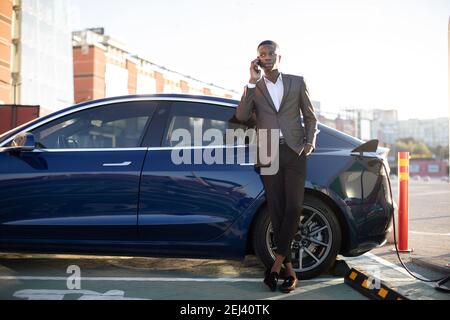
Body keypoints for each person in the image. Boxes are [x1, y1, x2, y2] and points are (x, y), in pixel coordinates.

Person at [235, 40, 318, 293]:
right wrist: (251, 81)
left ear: (279, 56)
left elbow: (311, 116)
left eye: (271, 53)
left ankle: (275, 266)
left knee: (293, 207)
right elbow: (241, 116)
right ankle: (289, 272)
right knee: (278, 211)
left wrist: (310, 143)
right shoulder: (255, 87)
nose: (267, 57)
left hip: (294, 151)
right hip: (269, 153)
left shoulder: (296, 81)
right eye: (262, 54)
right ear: (257, 59)